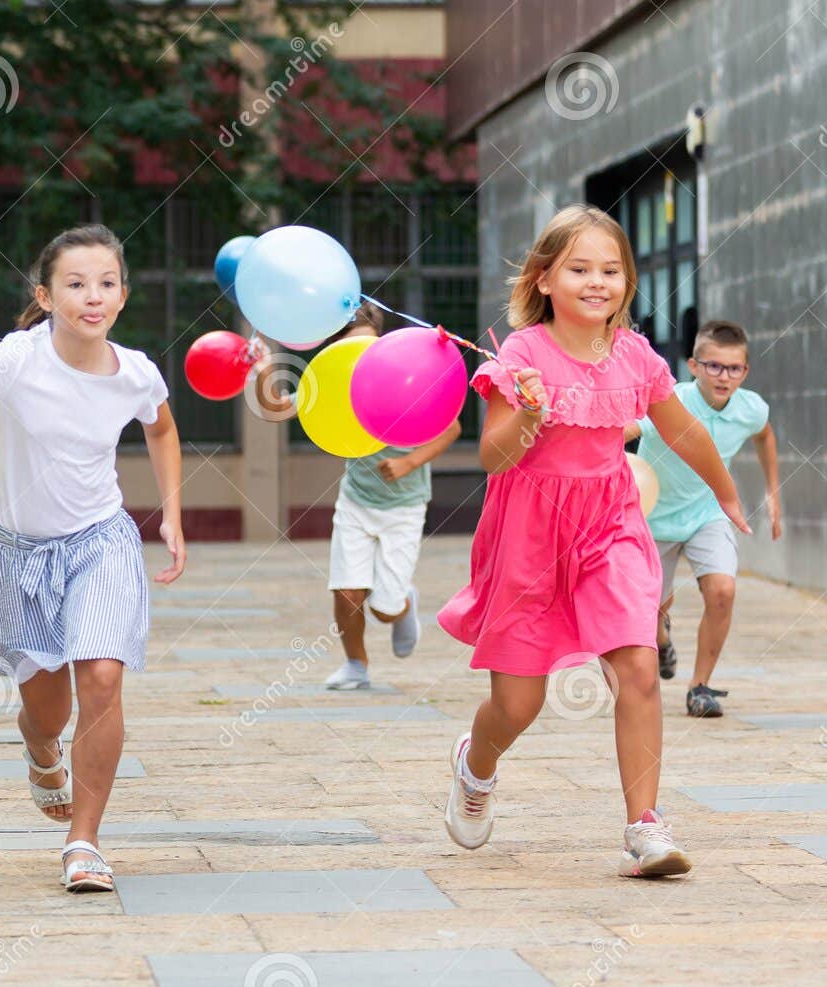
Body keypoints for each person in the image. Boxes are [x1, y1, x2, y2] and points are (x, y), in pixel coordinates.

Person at [435, 204, 750, 878]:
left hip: (610, 524)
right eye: (579, 268)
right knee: (519, 704)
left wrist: (724, 490)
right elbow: (493, 458)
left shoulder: (634, 355)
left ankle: (645, 827)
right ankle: (476, 763)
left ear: (627, 283)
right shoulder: (519, 354)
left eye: (611, 269)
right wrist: (528, 413)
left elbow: (684, 430)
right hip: (528, 533)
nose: (597, 281)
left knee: (637, 667)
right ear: (544, 279)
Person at [0, 224, 185, 894]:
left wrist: (170, 510)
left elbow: (163, 427)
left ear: (122, 296)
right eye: (76, 284)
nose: (93, 296)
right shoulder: (14, 360)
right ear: (45, 295)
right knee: (47, 711)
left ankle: (83, 841)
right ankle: (40, 747)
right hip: (15, 553)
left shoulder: (135, 370)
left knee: (104, 679)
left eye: (106, 284)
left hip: (100, 542)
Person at [626, 320, 780, 718]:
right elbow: (628, 427)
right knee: (651, 615)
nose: (723, 377)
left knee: (722, 592)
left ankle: (700, 687)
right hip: (652, 516)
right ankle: (662, 640)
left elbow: (765, 435)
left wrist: (772, 491)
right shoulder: (670, 400)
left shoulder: (750, 408)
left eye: (733, 369)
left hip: (707, 513)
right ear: (693, 366)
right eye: (713, 366)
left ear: (745, 371)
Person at [314, 304, 462, 689]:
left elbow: (452, 428)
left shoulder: (403, 375)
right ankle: (356, 665)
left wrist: (410, 462)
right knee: (346, 591)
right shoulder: (335, 380)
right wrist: (264, 367)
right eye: (349, 347)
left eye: (366, 346)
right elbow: (288, 406)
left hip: (405, 505)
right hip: (356, 501)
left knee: (383, 608)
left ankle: (403, 605)